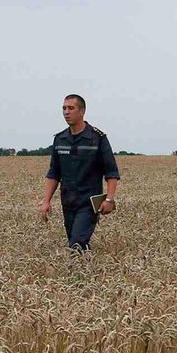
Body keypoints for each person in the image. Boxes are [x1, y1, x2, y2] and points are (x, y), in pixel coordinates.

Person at [38, 94, 119, 256]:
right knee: (76, 243)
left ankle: (79, 273)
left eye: (71, 108)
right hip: (68, 201)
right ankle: (87, 274)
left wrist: (109, 199)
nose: (66, 112)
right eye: (64, 108)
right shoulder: (60, 140)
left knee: (77, 243)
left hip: (88, 202)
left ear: (82, 111)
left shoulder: (97, 139)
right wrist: (46, 200)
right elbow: (54, 173)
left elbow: (111, 173)